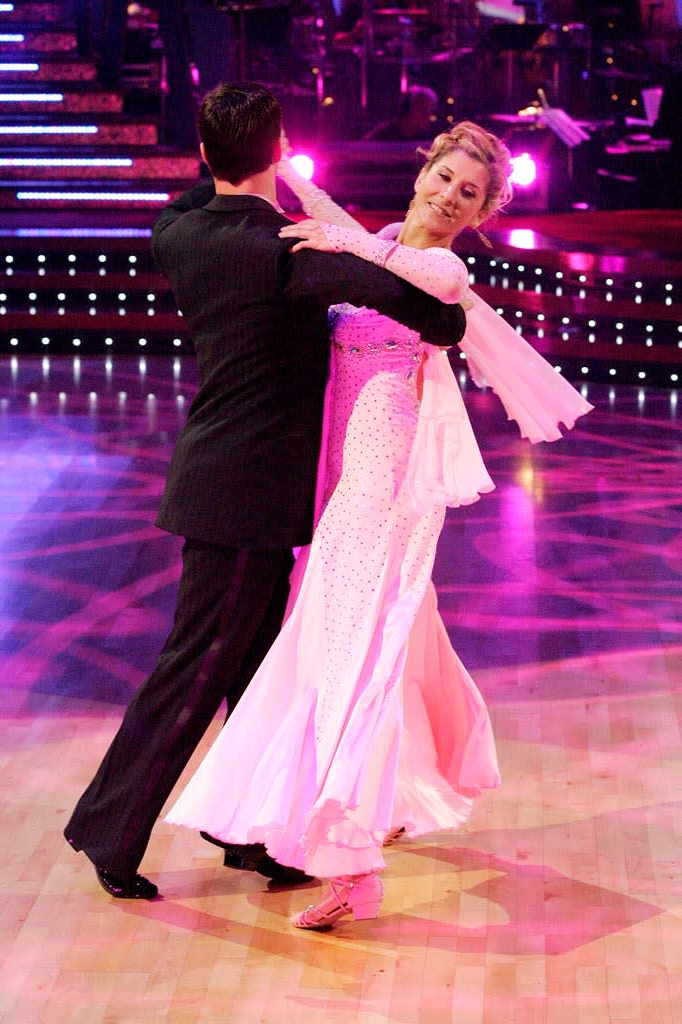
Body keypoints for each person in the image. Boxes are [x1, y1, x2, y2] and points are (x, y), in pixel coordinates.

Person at [165, 121, 593, 928]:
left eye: (465, 194)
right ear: (423, 170)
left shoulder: (439, 264)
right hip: (342, 462)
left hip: (384, 459)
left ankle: (350, 860)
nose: (445, 196)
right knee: (376, 634)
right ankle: (391, 792)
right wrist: (285, 169)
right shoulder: (388, 237)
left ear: (477, 214)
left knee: (344, 643)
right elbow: (354, 235)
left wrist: (332, 232)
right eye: (441, 178)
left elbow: (380, 260)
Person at [62, 82, 468, 901]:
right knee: (199, 663)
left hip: (222, 472)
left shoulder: (177, 229)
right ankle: (109, 828)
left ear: (205, 155)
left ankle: (250, 829)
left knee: (251, 668)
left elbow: (204, 188)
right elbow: (441, 323)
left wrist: (234, 161)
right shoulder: (287, 253)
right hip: (244, 492)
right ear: (278, 153)